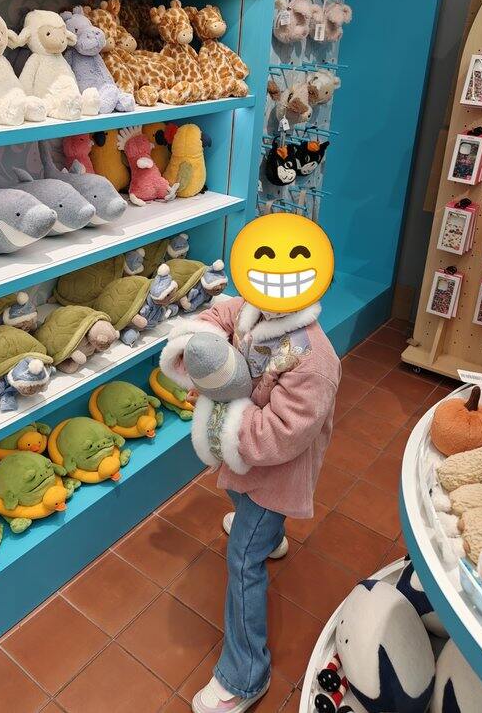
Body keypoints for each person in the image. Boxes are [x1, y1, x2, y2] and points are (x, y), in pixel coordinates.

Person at [159, 215, 341, 713]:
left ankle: (245, 676)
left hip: (276, 474)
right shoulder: (255, 309)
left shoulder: (313, 360)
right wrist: (198, 345)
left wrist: (222, 410)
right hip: (249, 465)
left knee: (242, 560)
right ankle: (270, 534)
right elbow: (223, 312)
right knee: (239, 496)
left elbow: (281, 435)